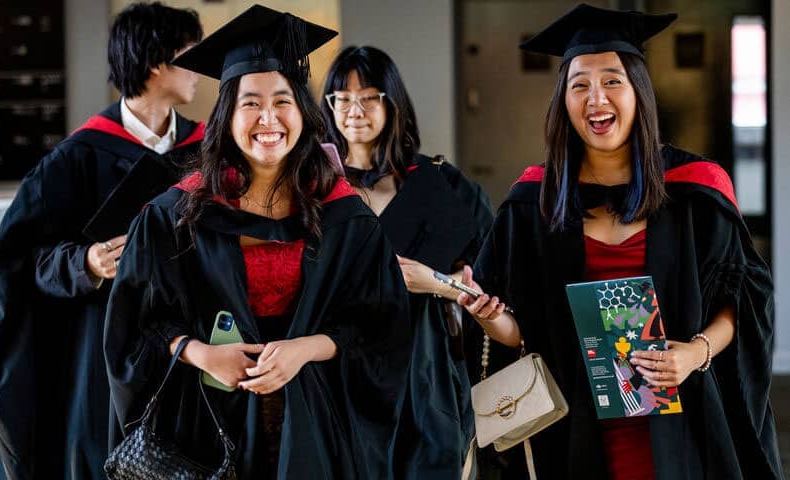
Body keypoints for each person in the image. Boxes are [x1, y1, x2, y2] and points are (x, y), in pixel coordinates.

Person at [458, 4, 783, 479]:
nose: (596, 98)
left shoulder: (695, 189)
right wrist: (488, 317)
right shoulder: (535, 202)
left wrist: (693, 354)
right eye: (579, 85)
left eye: (612, 81)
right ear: (562, 103)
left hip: (683, 425)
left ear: (639, 93)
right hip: (574, 430)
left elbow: (743, 300)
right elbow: (521, 333)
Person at [104, 5, 412, 479]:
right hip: (206, 429)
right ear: (227, 115)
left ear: (304, 113)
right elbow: (136, 323)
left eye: (282, 101)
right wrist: (201, 353)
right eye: (250, 103)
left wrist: (306, 348)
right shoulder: (178, 216)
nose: (268, 118)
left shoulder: (344, 216)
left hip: (314, 427)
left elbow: (380, 326)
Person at [0, 3, 203, 478]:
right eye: (191, 51)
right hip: (103, 353)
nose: (201, 66)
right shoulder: (76, 159)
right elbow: (24, 261)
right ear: (156, 62)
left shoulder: (204, 151)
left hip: (193, 347)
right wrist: (85, 263)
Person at [321, 46, 493, 479]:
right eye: (341, 98)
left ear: (392, 103)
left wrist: (433, 281)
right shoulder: (314, 191)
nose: (353, 110)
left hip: (425, 370)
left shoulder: (441, 184)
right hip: (340, 370)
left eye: (369, 97)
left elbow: (485, 286)